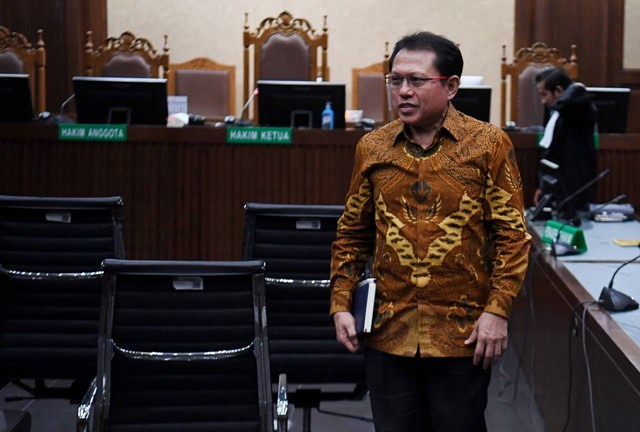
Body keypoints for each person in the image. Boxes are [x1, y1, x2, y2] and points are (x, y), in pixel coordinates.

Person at [329, 31, 531, 432]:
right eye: (395, 80)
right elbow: (352, 232)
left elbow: (512, 234)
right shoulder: (373, 148)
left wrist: (498, 310)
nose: (403, 91)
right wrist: (340, 302)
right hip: (390, 331)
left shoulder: (488, 145)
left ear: (451, 86)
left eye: (417, 81)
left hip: (463, 332)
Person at [533, 66, 598, 220]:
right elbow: (551, 152)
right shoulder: (556, 111)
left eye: (544, 94)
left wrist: (576, 87)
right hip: (559, 186)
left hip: (576, 185)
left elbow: (574, 98)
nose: (543, 101)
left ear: (559, 91)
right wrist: (543, 185)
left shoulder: (578, 108)